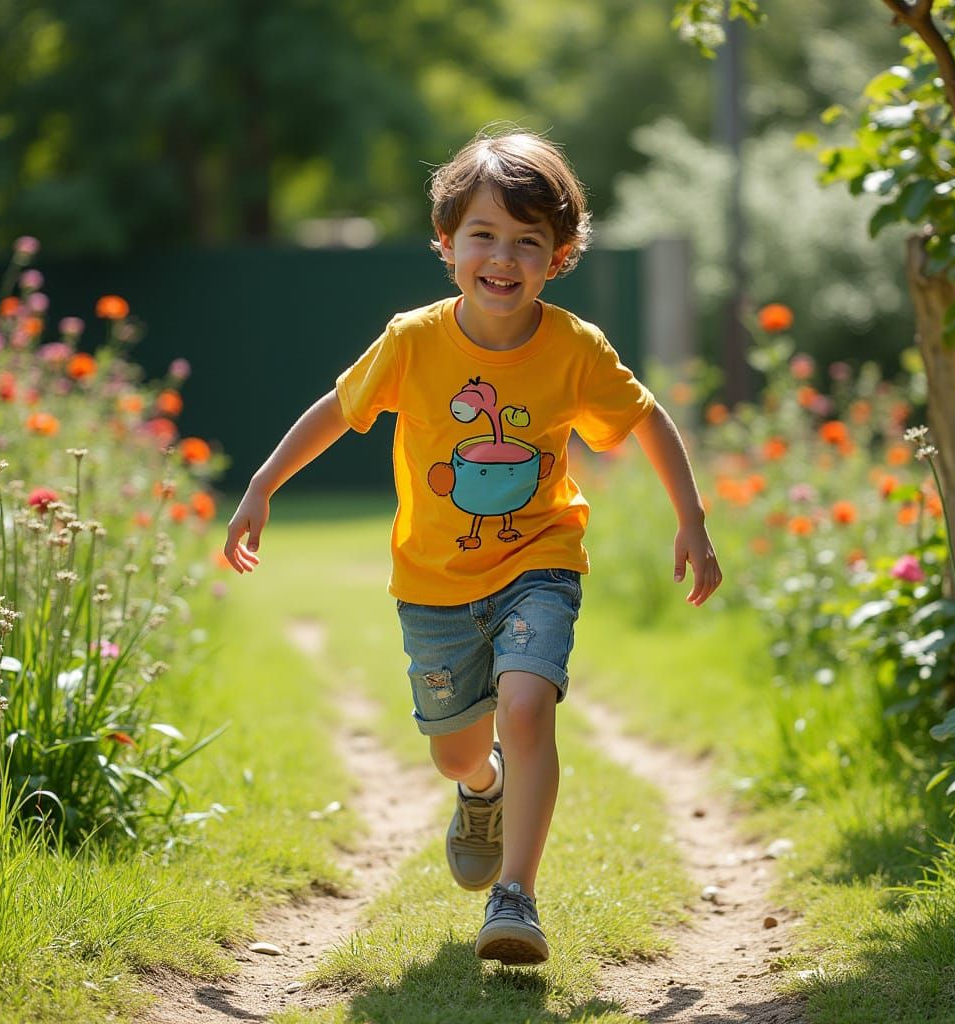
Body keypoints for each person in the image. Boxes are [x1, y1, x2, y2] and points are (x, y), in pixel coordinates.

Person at [224, 127, 722, 967]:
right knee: (456, 746)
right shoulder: (413, 340)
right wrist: (263, 484)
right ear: (447, 243)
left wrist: (693, 520)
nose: (504, 256)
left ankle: (516, 897)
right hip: (434, 580)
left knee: (528, 706)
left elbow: (644, 419)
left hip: (540, 559)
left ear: (558, 256)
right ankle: (479, 789)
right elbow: (338, 409)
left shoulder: (574, 347)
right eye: (484, 235)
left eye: (528, 241)